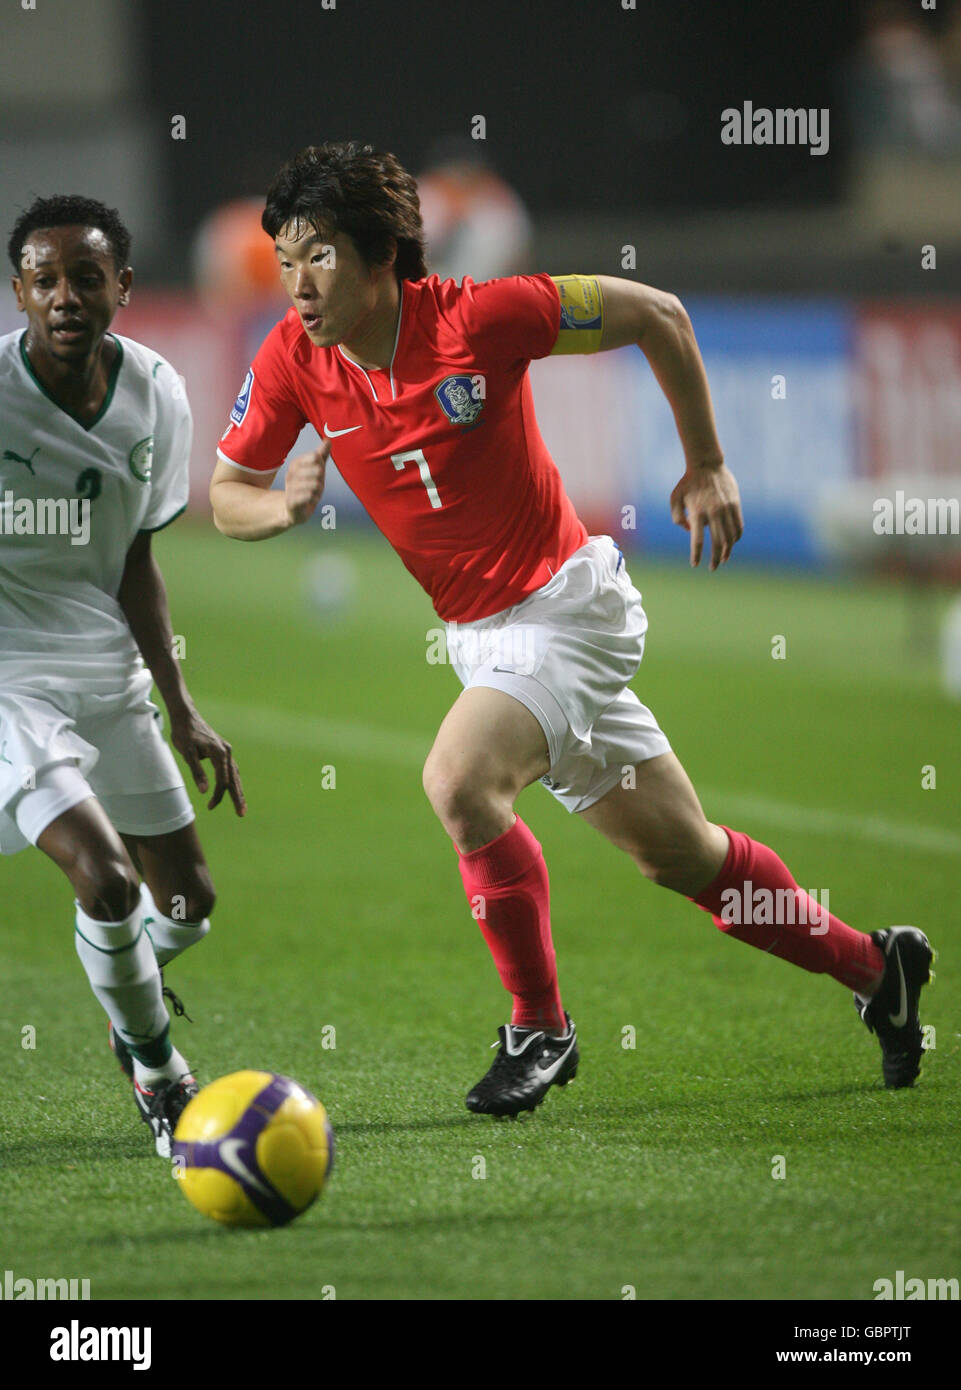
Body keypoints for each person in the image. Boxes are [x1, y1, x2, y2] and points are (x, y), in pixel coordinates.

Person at [209, 143, 933, 1115]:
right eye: (285, 259)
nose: (296, 285)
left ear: (383, 254)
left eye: (319, 257)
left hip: (566, 607)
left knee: (460, 782)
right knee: (684, 854)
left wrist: (707, 463)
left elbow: (658, 315)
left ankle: (539, 1027)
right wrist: (283, 512)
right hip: (482, 638)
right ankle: (875, 968)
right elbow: (225, 496)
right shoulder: (293, 358)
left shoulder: (482, 316)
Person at [3, 195, 245, 1155]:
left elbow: (139, 563)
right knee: (102, 882)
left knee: (186, 903)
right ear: (19, 290)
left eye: (86, 277)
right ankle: (158, 1070)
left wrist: (182, 709)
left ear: (123, 287)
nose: (66, 295)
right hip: (12, 677)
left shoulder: (159, 392)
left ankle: (123, 995)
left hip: (108, 669)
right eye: (45, 278)